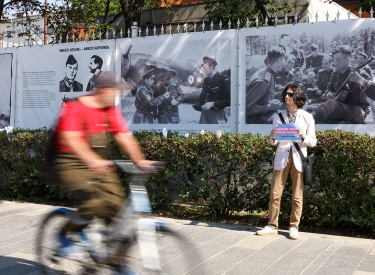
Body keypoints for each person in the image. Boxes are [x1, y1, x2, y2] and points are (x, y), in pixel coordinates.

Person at [52, 71, 156, 274]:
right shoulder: (75, 107)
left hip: (99, 164)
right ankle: (64, 234)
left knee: (116, 207)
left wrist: (141, 161)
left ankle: (114, 261)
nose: (115, 94)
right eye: (113, 90)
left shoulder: (109, 110)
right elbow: (72, 139)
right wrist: (92, 160)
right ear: (102, 90)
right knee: (92, 203)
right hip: (71, 163)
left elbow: (124, 136)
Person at [256, 84, 317, 240]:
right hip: (282, 157)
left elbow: (313, 142)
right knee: (275, 193)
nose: (286, 97)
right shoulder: (278, 116)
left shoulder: (307, 117)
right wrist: (273, 136)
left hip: (298, 158)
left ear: (297, 97)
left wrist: (304, 136)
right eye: (285, 94)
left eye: (290, 94)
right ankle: (272, 225)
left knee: (297, 195)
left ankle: (294, 226)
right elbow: (273, 142)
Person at [314, 45, 375, 124]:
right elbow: (329, 89)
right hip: (340, 107)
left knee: (329, 106)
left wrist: (361, 80)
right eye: (333, 60)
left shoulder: (360, 73)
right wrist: (328, 93)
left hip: (358, 109)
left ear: (347, 59)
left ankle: (308, 121)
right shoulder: (335, 73)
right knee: (316, 109)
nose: (334, 62)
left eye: (338, 60)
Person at [246, 47, 286, 124]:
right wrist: (269, 106)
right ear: (279, 61)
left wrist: (283, 88)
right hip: (257, 121)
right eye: (284, 59)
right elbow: (246, 109)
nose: (285, 63)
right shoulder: (262, 81)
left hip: (263, 115)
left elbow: (267, 91)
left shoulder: (268, 73)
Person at [195, 56, 231, 124]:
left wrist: (213, 104)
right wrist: (201, 105)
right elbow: (202, 96)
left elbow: (230, 100)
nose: (202, 70)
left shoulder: (223, 79)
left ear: (211, 68)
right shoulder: (206, 80)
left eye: (204, 68)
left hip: (217, 115)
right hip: (204, 115)